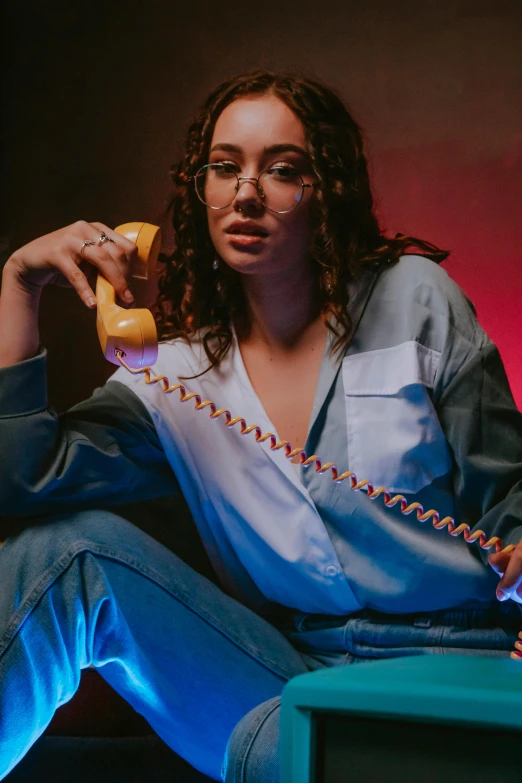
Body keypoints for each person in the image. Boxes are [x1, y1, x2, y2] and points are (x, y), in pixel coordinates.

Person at [0, 70, 521, 783]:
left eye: (281, 170)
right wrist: (19, 283)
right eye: (224, 167)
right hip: (285, 682)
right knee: (64, 552)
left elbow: (510, 496)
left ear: (325, 190)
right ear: (201, 189)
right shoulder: (172, 376)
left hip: (449, 671)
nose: (245, 192)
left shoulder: (415, 298)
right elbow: (25, 478)